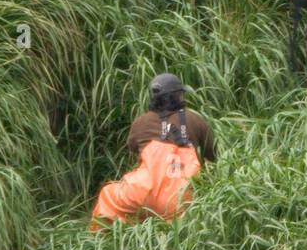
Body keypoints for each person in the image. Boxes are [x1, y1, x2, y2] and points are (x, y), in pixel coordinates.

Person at [90, 74, 215, 230]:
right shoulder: (195, 120)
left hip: (142, 194)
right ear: (179, 96)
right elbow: (213, 156)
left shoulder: (141, 122)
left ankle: (105, 243)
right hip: (182, 198)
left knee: (107, 195)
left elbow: (135, 150)